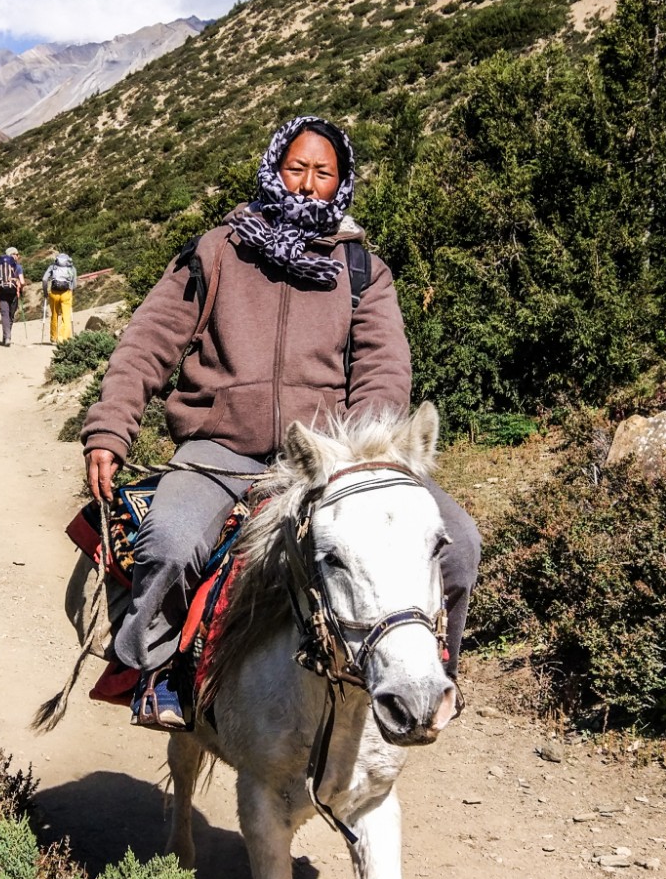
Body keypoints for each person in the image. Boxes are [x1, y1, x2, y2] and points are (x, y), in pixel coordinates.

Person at [80, 116, 482, 730]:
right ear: (274, 167)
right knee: (168, 541)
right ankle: (157, 674)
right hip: (220, 449)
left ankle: (434, 668)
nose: (307, 184)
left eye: (324, 173)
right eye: (297, 168)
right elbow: (148, 343)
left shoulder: (362, 269)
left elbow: (382, 369)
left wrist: (363, 452)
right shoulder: (218, 250)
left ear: (341, 181)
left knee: (458, 543)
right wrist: (110, 429)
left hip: (328, 461)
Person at [0, 247, 25, 346]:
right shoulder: (18, 267)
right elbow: (23, 282)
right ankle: (7, 336)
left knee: (4, 315)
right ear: (13, 255)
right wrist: (20, 287)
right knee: (10, 316)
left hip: (2, 293)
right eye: (17, 254)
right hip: (14, 294)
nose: (18, 256)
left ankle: (6, 337)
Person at [44, 251, 77, 344]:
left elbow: (44, 279)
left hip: (54, 293)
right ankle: (62, 338)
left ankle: (53, 337)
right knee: (66, 317)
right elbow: (74, 284)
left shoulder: (53, 267)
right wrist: (72, 292)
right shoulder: (71, 268)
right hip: (66, 293)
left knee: (54, 316)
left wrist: (45, 292)